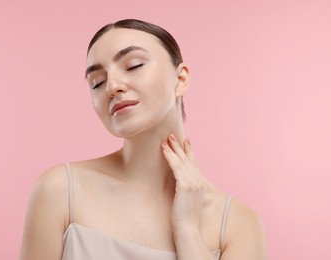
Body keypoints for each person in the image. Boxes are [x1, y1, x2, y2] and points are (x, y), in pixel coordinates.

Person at [20, 19, 266, 260]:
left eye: (134, 65)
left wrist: (187, 230)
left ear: (180, 79)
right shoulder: (60, 190)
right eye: (97, 82)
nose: (112, 87)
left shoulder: (237, 224)